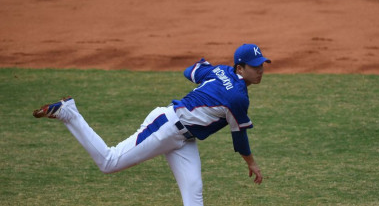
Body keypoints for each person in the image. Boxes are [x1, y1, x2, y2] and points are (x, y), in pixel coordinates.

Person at [33, 43, 271, 206]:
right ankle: (69, 113)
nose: (260, 71)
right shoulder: (239, 97)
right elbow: (239, 139)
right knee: (109, 162)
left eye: (261, 65)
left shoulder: (220, 71)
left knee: (194, 192)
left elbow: (190, 71)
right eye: (255, 66)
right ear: (240, 68)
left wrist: (212, 73)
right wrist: (253, 164)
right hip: (166, 127)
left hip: (183, 139)